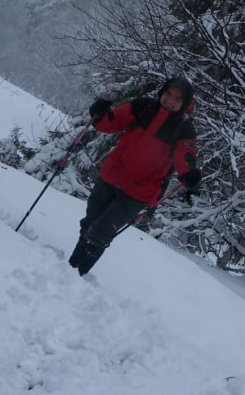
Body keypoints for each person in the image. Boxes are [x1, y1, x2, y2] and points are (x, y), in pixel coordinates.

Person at [68, 76, 202, 276]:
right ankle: (69, 271)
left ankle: (74, 274)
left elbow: (185, 154)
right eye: (168, 94)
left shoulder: (183, 127)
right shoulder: (144, 106)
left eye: (177, 99)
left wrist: (188, 173)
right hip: (112, 176)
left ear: (183, 103)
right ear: (162, 92)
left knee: (102, 230)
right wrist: (100, 114)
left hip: (139, 192)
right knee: (90, 222)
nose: (170, 100)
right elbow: (113, 122)